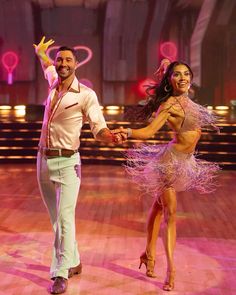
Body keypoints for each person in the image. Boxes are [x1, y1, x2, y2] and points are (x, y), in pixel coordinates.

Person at [112, 60, 220, 291]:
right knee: (171, 213)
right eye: (177, 75)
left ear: (190, 78)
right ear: (170, 82)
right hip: (169, 164)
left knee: (158, 207)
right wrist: (128, 131)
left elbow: (174, 73)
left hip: (185, 161)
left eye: (186, 74)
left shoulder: (188, 102)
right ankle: (171, 269)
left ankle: (148, 254)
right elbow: (149, 131)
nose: (183, 78)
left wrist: (169, 66)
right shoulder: (169, 105)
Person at [33, 36, 123, 294]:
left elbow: (99, 128)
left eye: (68, 60)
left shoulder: (86, 95)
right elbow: (47, 68)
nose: (62, 63)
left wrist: (110, 136)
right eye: (60, 59)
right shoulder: (53, 83)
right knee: (56, 219)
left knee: (64, 218)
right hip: (42, 160)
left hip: (67, 162)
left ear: (76, 64)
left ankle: (60, 273)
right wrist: (41, 54)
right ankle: (74, 260)